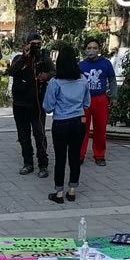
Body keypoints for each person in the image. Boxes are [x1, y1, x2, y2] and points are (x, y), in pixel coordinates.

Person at [43, 48, 90, 204]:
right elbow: (86, 103)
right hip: (78, 122)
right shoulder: (83, 79)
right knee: (75, 157)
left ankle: (58, 193)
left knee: (60, 158)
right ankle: (72, 191)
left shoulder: (55, 82)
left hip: (61, 123)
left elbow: (48, 106)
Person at [6, 32, 54, 178]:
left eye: (38, 44)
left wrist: (46, 76)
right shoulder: (19, 58)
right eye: (33, 44)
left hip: (37, 105)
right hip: (20, 105)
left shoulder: (44, 58)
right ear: (26, 44)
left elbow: (54, 71)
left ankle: (43, 165)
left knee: (39, 135)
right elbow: (11, 72)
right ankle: (28, 163)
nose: (36, 47)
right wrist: (24, 56)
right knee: (23, 136)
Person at [78, 39, 118, 167]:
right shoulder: (81, 66)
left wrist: (114, 97)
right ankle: (79, 155)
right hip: (84, 100)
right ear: (85, 50)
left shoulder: (106, 64)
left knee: (100, 129)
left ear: (99, 50)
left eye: (95, 48)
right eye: (89, 47)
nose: (92, 50)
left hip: (100, 99)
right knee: (82, 129)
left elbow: (112, 81)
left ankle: (99, 155)